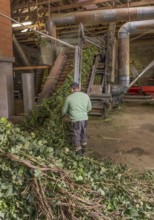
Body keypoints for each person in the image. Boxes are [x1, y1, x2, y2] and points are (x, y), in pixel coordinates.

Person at [62, 82, 92, 156]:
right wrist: (83, 113)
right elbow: (90, 108)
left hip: (75, 120)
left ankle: (79, 154)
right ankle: (84, 151)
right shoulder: (86, 96)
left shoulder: (69, 98)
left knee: (76, 136)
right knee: (83, 134)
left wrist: (68, 113)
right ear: (79, 88)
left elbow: (63, 111)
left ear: (72, 89)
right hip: (84, 120)